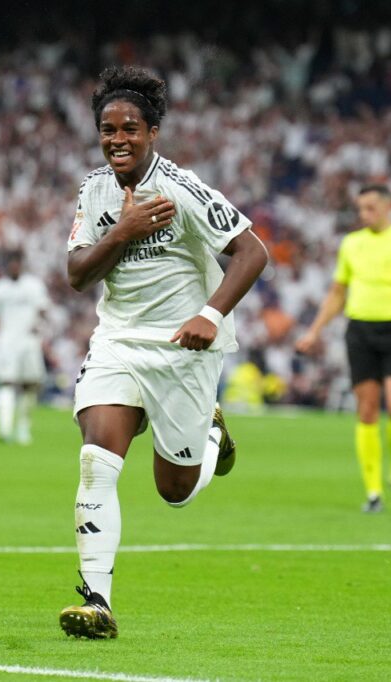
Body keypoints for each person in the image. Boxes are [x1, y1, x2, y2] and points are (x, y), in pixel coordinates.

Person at [59, 66, 268, 639]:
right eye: (108, 129)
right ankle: (97, 601)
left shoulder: (182, 188)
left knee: (173, 491)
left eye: (130, 128)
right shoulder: (95, 188)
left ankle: (209, 437)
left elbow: (252, 253)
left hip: (184, 347)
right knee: (96, 460)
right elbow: (78, 274)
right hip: (118, 342)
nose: (117, 139)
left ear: (153, 132)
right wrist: (121, 231)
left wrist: (211, 313)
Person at [296, 184, 391, 513]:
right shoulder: (351, 244)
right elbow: (336, 293)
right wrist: (314, 331)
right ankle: (373, 494)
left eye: (370, 208)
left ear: (388, 207)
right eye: (360, 208)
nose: (364, 214)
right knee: (367, 411)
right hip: (359, 330)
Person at [0, 251, 50, 445]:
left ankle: (23, 428)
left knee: (30, 385)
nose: (14, 267)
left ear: (21, 264)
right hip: (7, 342)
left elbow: (43, 310)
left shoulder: (34, 286)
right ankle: (4, 428)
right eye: (10, 264)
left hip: (29, 341)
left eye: (16, 263)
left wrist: (43, 326)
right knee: (6, 382)